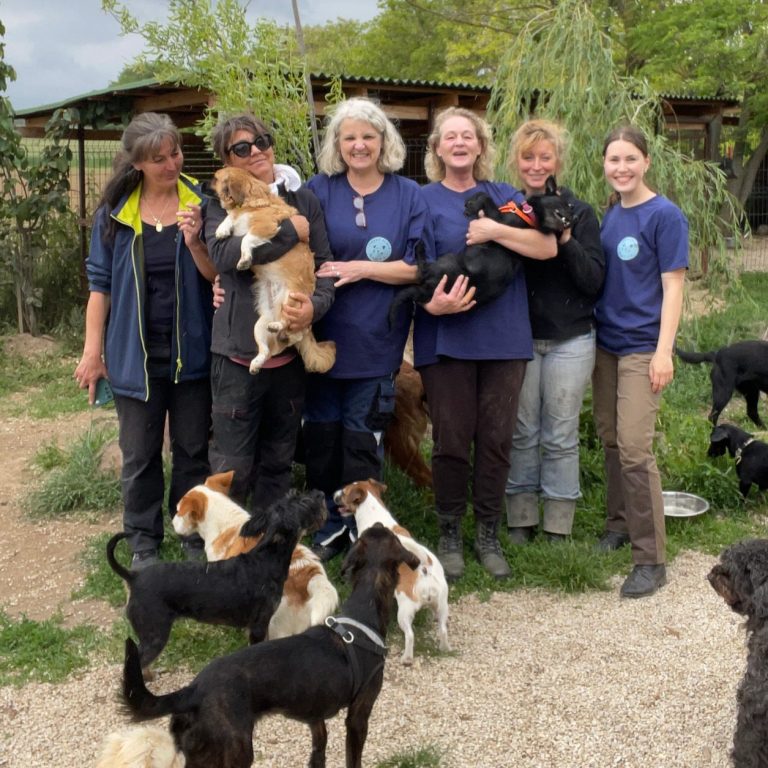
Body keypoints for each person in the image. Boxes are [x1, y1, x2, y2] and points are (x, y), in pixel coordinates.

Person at [413, 107, 558, 580]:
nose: (459, 143)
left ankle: (488, 533)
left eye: (468, 136)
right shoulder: (422, 200)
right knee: (451, 440)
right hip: (446, 338)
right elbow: (412, 265)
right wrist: (431, 304)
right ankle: (450, 533)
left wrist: (495, 230)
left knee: (496, 440)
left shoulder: (506, 197)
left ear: (480, 146)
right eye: (450, 136)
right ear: (437, 148)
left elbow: (546, 247)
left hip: (503, 338)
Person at [75, 112, 216, 569]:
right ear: (136, 163)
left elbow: (219, 276)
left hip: (191, 354)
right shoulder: (115, 214)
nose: (171, 164)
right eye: (159, 159)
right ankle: (142, 542)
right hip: (134, 358)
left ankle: (192, 532)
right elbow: (100, 287)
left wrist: (196, 241)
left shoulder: (202, 203)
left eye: (175, 153)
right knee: (139, 455)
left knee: (193, 451)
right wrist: (92, 353)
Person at [303, 97, 431, 561]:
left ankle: (366, 533)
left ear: (384, 141)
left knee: (362, 441)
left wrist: (360, 269)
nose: (359, 145)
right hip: (322, 340)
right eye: (350, 137)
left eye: (368, 137)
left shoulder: (408, 194)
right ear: (337, 144)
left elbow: (418, 267)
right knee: (322, 440)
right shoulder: (318, 190)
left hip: (377, 341)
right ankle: (327, 527)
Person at [204, 113, 335, 512]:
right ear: (228, 160)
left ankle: (270, 540)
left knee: (278, 463)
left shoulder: (303, 200)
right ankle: (223, 542)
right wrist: (291, 232)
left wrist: (313, 308)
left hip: (288, 356)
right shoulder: (220, 201)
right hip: (236, 356)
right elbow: (224, 256)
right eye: (242, 148)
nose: (257, 151)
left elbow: (325, 267)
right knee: (232, 466)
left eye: (262, 140)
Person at [592, 124, 687, 598]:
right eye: (614, 159)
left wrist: (663, 351)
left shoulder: (664, 215)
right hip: (605, 345)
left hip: (641, 346)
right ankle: (619, 524)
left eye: (631, 158)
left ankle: (650, 558)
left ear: (646, 162)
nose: (622, 167)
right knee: (611, 438)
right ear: (605, 165)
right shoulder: (611, 214)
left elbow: (674, 286)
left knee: (634, 447)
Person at [504, 119, 605, 543]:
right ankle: (520, 517)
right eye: (528, 157)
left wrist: (565, 239)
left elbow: (593, 280)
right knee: (522, 429)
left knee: (560, 432)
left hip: (571, 337)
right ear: (516, 161)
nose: (536, 165)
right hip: (520, 338)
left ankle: (558, 522)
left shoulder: (579, 212)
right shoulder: (509, 210)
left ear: (557, 161)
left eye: (544, 157)